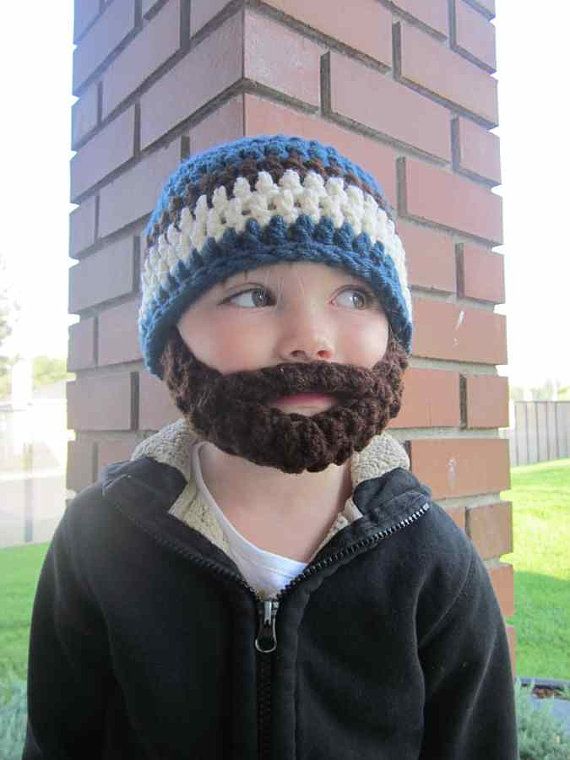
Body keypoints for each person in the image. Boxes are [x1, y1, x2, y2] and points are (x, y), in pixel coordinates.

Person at [23, 135, 518, 759]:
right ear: (173, 330)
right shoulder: (97, 541)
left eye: (354, 296)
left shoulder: (432, 562)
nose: (310, 340)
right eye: (253, 295)